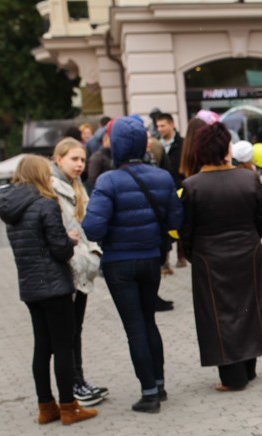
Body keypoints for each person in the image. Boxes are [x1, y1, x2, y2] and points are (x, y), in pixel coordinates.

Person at [82, 116, 183, 414]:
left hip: (119, 265)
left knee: (135, 326)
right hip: (151, 259)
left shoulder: (108, 181)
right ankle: (160, 384)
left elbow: (92, 229)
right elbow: (176, 220)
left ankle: (149, 393)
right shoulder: (162, 177)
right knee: (149, 320)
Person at [0, 155, 98, 426]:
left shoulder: (10, 208)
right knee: (63, 347)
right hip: (54, 285)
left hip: (31, 286)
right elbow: (59, 249)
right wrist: (71, 240)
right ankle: (68, 406)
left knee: (42, 347)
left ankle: (45, 406)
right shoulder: (45, 205)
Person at [180, 122, 262, 391]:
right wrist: (251, 238)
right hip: (247, 252)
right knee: (249, 307)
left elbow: (185, 229)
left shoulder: (192, 186)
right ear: (226, 149)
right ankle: (248, 369)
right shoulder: (248, 178)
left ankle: (233, 377)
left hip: (208, 257)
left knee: (218, 315)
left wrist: (193, 253)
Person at [51, 138, 107, 407]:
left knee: (77, 328)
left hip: (81, 265)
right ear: (58, 158)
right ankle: (73, 384)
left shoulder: (76, 187)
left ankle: (80, 380)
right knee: (68, 331)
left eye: (82, 160)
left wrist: (92, 251)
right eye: (73, 159)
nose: (79, 164)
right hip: (66, 267)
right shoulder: (52, 188)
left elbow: (86, 225)